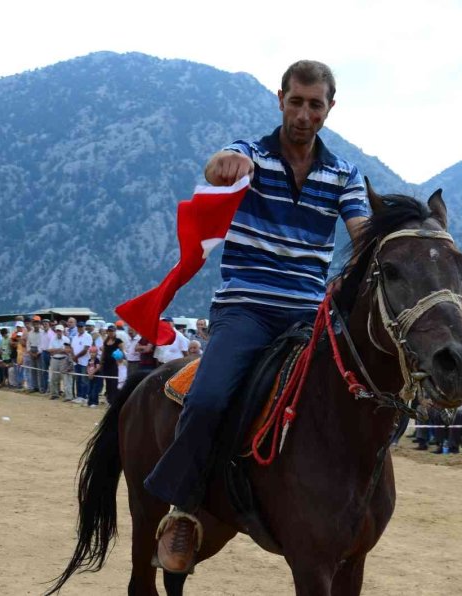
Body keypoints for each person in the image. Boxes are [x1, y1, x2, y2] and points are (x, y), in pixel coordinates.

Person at [144, 59, 369, 573]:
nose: (305, 113)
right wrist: (223, 163)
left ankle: (353, 500)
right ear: (280, 99)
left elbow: (362, 232)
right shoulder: (253, 153)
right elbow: (220, 162)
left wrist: (371, 252)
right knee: (207, 398)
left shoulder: (345, 175)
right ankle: (183, 510)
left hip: (307, 316)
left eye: (316, 104)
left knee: (364, 392)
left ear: (330, 108)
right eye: (297, 101)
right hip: (245, 307)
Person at [100, 324, 124, 405]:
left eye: (112, 331)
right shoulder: (106, 341)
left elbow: (122, 352)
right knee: (108, 383)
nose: (110, 333)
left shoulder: (118, 341)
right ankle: (109, 399)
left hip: (114, 364)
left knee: (114, 383)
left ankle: (114, 401)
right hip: (106, 364)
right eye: (109, 331)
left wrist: (120, 361)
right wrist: (101, 362)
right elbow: (103, 352)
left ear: (115, 332)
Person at [47, 324, 72, 400]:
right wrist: (60, 350)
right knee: (54, 378)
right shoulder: (52, 338)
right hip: (54, 359)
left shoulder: (66, 339)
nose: (58, 332)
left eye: (60, 331)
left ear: (62, 331)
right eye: (57, 331)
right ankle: (54, 394)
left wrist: (56, 350)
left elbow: (68, 350)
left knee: (65, 378)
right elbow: (49, 350)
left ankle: (68, 396)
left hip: (64, 359)